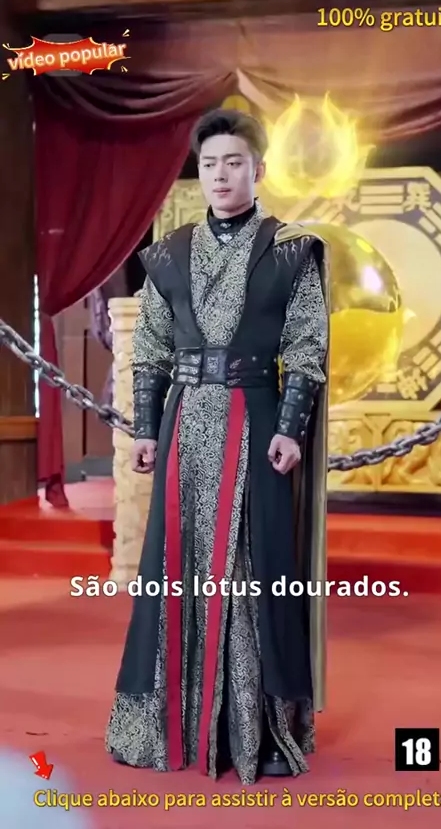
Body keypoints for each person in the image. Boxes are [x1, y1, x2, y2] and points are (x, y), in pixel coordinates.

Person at [105, 108, 330, 786]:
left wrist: (289, 428)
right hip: (184, 425)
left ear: (258, 170)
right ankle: (167, 724)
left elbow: (307, 347)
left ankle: (257, 733)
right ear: (198, 174)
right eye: (209, 165)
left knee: (255, 569)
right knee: (176, 567)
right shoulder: (168, 254)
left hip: (255, 422)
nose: (221, 175)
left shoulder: (290, 250)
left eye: (234, 163)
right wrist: (146, 429)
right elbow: (150, 351)